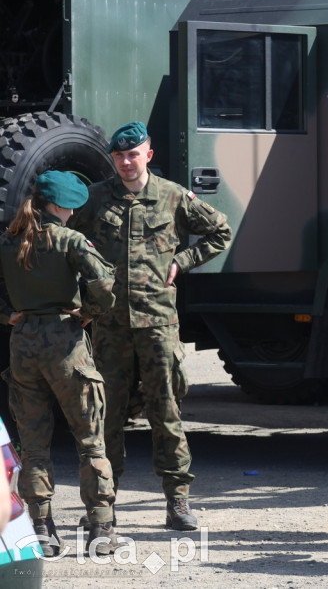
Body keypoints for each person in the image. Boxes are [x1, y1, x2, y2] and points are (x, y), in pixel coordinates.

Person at [70, 121, 232, 531]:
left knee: (167, 411)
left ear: (148, 155)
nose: (126, 162)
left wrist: (183, 262)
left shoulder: (172, 196)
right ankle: (104, 508)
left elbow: (220, 230)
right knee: (107, 416)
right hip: (108, 327)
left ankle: (177, 501)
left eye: (133, 154)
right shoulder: (94, 199)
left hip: (159, 323)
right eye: (119, 156)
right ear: (113, 159)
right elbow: (64, 242)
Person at [0, 171, 118, 555]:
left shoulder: (9, 241)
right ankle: (101, 529)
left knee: (34, 445)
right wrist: (89, 312)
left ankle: (43, 530)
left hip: (24, 345)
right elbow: (103, 282)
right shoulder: (69, 240)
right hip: (66, 344)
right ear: (60, 205)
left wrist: (8, 315)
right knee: (90, 440)